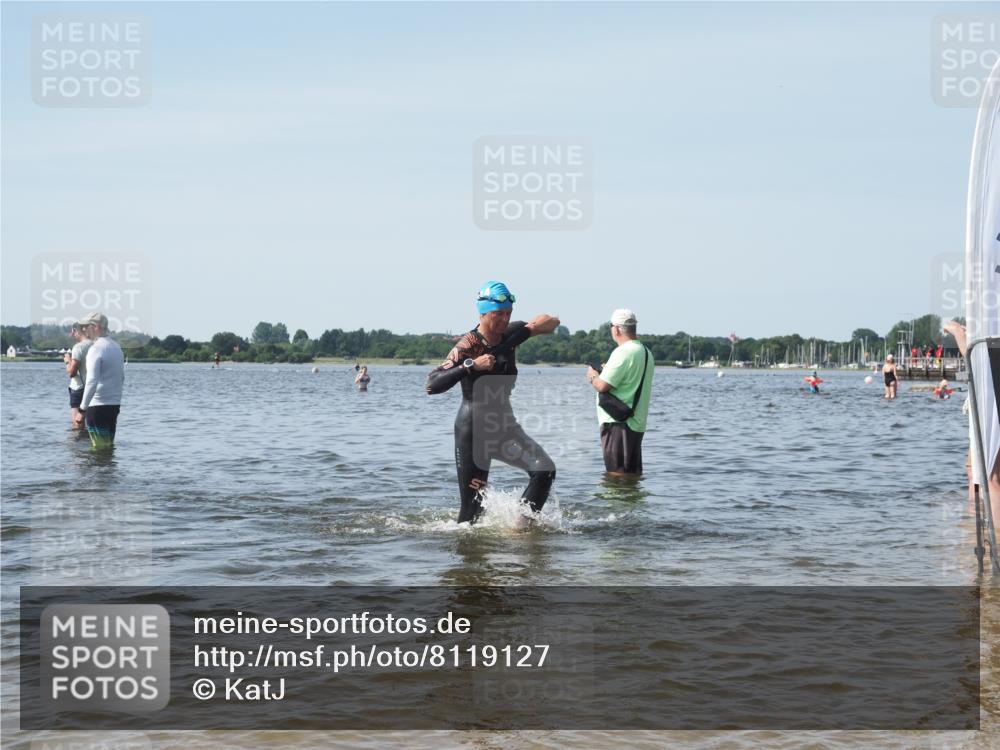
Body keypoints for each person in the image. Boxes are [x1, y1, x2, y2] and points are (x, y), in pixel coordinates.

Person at [426, 281, 560, 525]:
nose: (504, 319)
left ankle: (520, 528)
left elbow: (552, 322)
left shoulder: (511, 333)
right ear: (483, 313)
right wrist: (471, 366)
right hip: (475, 431)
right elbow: (432, 385)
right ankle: (467, 556)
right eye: (499, 314)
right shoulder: (468, 345)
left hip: (505, 427)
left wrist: (534, 327)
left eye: (509, 313)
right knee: (472, 514)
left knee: (544, 470)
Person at [586, 309, 655, 475]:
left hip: (618, 423)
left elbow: (602, 386)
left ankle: (616, 502)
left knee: (616, 475)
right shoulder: (645, 352)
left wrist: (593, 376)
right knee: (631, 476)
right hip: (636, 423)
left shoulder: (623, 352)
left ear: (616, 328)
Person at [79, 312, 125, 449]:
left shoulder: (96, 349)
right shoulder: (117, 347)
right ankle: (108, 471)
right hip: (114, 405)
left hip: (97, 406)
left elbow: (92, 381)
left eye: (86, 327)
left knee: (98, 450)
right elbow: (121, 378)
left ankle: (100, 471)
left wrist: (82, 409)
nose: (83, 330)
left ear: (96, 327)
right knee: (108, 448)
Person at [63, 322, 92, 429]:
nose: (73, 335)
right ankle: (86, 443)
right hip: (92, 388)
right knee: (89, 422)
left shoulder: (78, 347)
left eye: (73, 332)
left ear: (77, 331)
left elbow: (72, 372)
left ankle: (77, 445)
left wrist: (67, 361)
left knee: (77, 423)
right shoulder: (95, 345)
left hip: (78, 388)